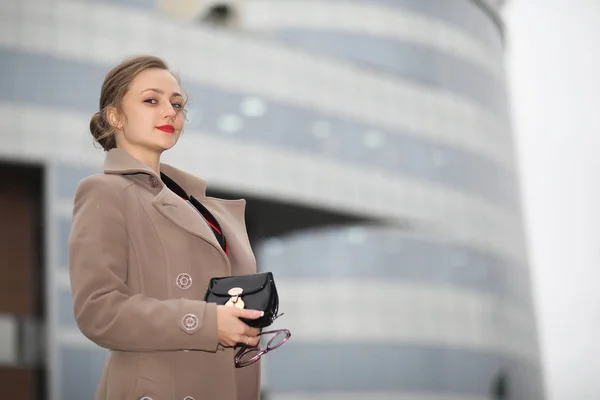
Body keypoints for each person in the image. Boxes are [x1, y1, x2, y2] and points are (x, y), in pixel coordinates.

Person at [68, 55, 264, 400]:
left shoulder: (197, 203)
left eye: (177, 104)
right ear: (115, 116)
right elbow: (98, 310)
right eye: (151, 100)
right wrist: (204, 322)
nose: (171, 112)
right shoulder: (104, 191)